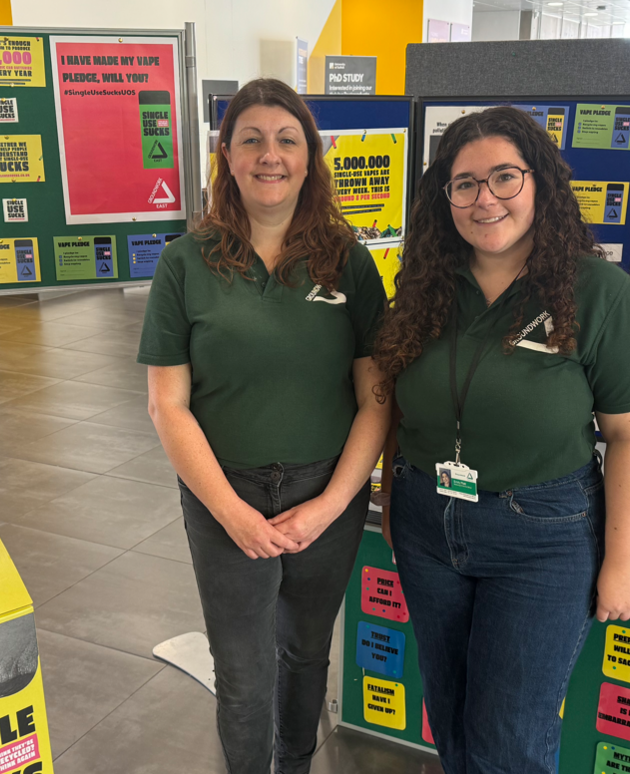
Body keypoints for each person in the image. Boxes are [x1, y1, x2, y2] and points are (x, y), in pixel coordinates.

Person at [373, 107, 630, 774]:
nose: (486, 199)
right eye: (464, 183)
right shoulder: (425, 288)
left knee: (509, 740)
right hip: (426, 526)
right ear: (443, 198)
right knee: (451, 717)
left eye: (505, 177)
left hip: (542, 537)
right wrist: (393, 498)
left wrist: (624, 561)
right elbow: (397, 411)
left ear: (540, 184)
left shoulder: (598, 293)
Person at [140, 78, 389, 774]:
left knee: (308, 653)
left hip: (326, 493)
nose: (269, 155)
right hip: (225, 493)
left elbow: (376, 399)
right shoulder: (184, 264)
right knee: (243, 674)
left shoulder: (348, 260)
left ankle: (296, 765)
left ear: (311, 157)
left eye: (287, 140)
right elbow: (167, 405)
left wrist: (334, 504)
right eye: (250, 139)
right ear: (227, 156)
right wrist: (235, 515)